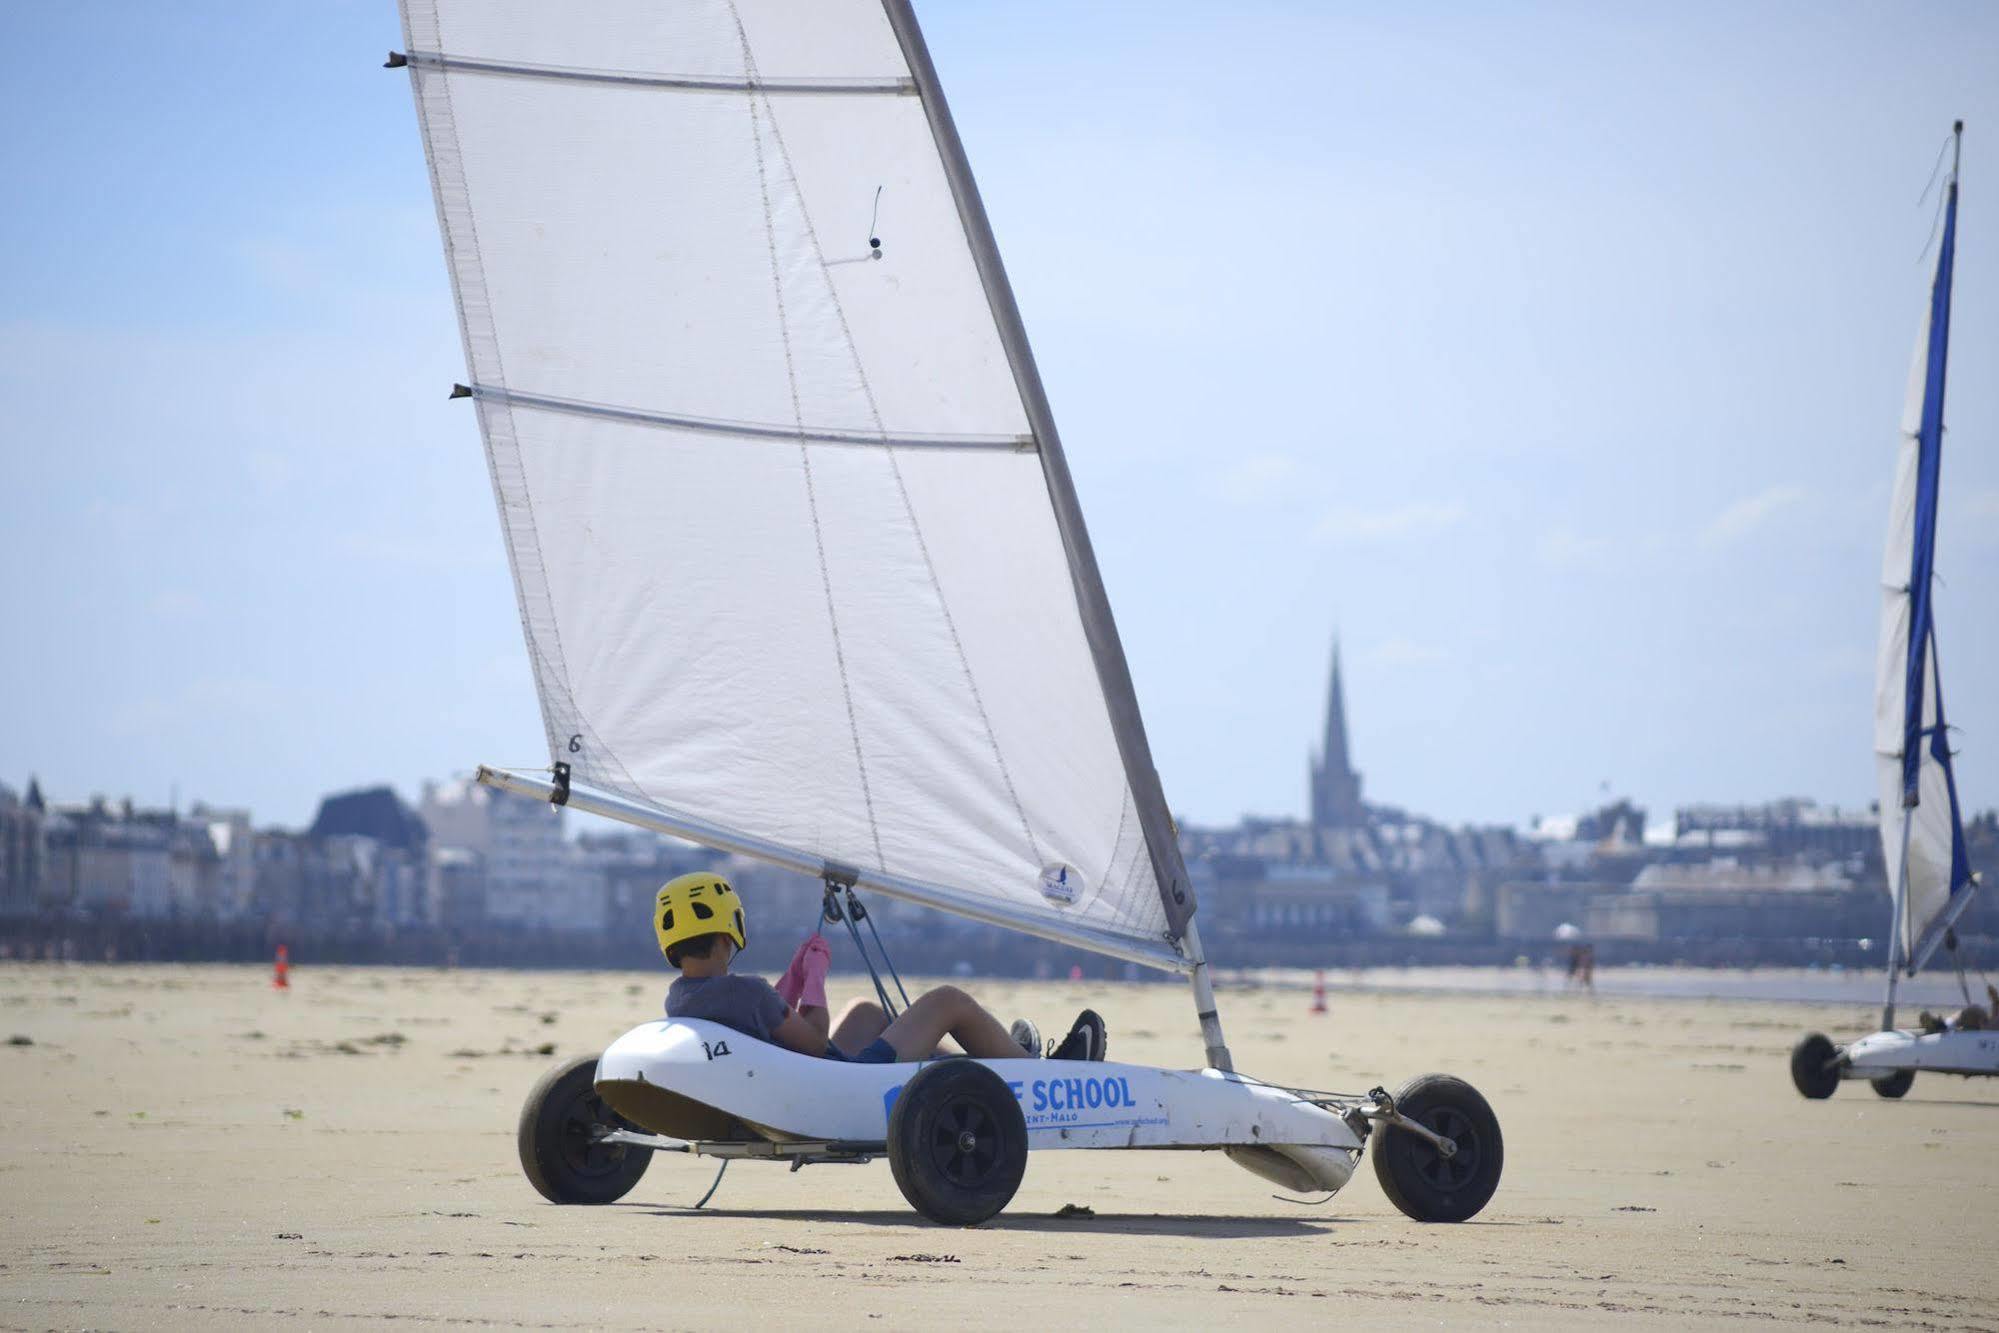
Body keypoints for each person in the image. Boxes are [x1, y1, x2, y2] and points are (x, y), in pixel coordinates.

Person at [654, 871, 1106, 1064]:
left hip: (803, 1073)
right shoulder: (745, 991)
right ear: (726, 933)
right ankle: (1025, 1068)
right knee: (948, 1001)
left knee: (869, 1014)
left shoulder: (684, 997)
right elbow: (810, 1042)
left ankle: (988, 1061)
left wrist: (791, 978)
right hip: (835, 1081)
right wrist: (814, 981)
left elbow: (768, 1021)